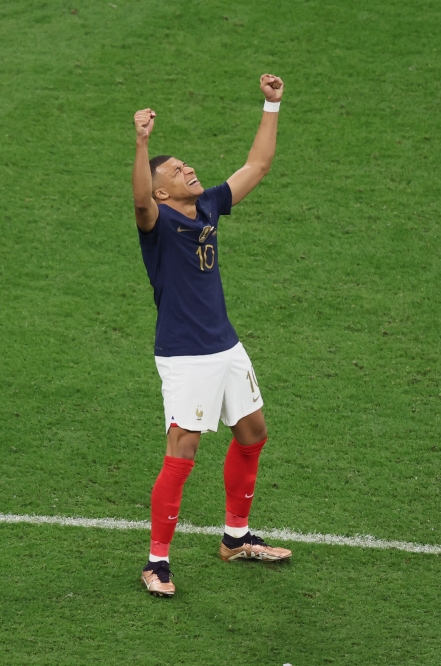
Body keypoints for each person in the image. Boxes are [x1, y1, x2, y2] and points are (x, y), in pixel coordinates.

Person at [131, 74, 291, 597]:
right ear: (161, 190)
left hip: (226, 346)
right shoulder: (154, 223)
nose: (188, 169)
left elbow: (257, 166)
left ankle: (236, 537)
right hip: (185, 355)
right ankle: (157, 562)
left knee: (253, 432)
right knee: (183, 448)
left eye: (186, 164)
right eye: (177, 170)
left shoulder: (208, 207)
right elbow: (138, 201)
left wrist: (272, 106)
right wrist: (142, 144)